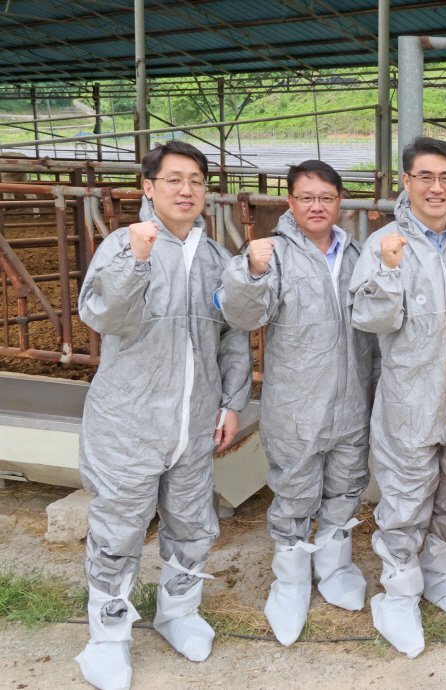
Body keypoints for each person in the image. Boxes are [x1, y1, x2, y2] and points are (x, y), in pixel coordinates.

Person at [75, 141, 252, 690]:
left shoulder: (217, 258)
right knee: (119, 527)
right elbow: (103, 317)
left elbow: (233, 334)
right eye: (174, 179)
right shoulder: (122, 245)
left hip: (193, 421)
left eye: (196, 180)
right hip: (129, 419)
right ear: (148, 187)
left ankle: (178, 611)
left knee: (192, 522)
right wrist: (136, 260)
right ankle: (107, 636)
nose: (186, 190)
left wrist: (231, 403)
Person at [347, 137, 446, 657]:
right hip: (411, 395)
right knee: (405, 496)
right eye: (425, 177)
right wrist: (390, 271)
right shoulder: (383, 243)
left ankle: (440, 574)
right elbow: (369, 319)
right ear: (407, 182)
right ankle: (397, 593)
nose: (436, 188)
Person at [219, 160, 377, 646]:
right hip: (296, 404)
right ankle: (289, 580)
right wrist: (251, 272)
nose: (317, 206)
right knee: (294, 490)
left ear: (339, 202)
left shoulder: (357, 254)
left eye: (326, 197)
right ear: (290, 202)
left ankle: (335, 567)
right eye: (307, 197)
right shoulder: (274, 254)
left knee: (346, 485)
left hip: (352, 398)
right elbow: (243, 316)